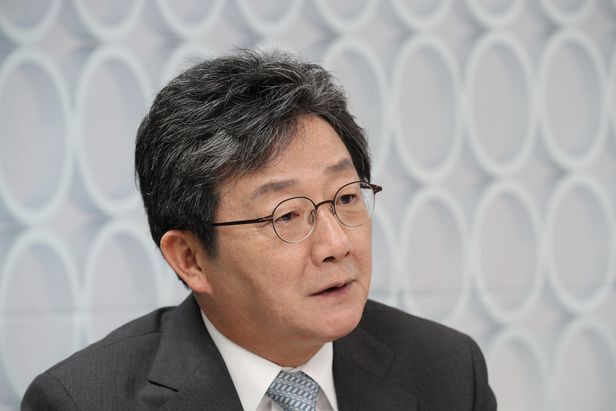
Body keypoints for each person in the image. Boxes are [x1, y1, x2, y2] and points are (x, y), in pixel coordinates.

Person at [22, 50, 496, 410]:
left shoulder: (448, 370)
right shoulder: (82, 401)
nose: (336, 244)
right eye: (286, 216)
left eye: (347, 198)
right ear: (189, 258)